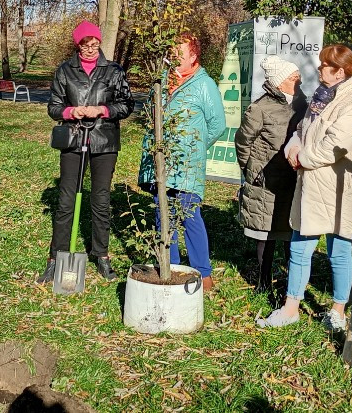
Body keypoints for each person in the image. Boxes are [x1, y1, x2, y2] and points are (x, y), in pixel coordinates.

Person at [256, 44, 352, 331]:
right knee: (299, 248)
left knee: (339, 252)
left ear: (340, 71)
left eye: (324, 65)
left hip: (339, 188)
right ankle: (291, 307)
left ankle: (337, 311)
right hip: (312, 186)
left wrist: (303, 158)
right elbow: (302, 129)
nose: (319, 69)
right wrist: (293, 146)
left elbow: (336, 146)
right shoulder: (323, 96)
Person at [39, 20, 134, 284]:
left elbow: (127, 105)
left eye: (95, 44)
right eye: (86, 45)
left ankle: (101, 254)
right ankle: (55, 257)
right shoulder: (65, 71)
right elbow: (53, 106)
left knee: (101, 199)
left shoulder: (113, 71)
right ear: (78, 45)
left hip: (104, 140)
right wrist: (71, 112)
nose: (92, 49)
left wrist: (102, 110)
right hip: (73, 139)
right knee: (67, 200)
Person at [138, 32, 225, 291]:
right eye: (171, 53)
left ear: (193, 56)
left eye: (180, 54)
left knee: (189, 215)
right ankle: (171, 267)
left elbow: (218, 125)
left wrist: (195, 147)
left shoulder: (204, 84)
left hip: (187, 164)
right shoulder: (162, 81)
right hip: (162, 163)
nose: (174, 58)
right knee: (163, 213)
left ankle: (203, 272)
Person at [235, 56, 306, 293]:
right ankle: (263, 282)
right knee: (265, 234)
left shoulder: (305, 105)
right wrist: (251, 170)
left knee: (290, 232)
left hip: (294, 178)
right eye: (294, 78)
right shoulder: (260, 108)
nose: (299, 81)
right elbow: (243, 141)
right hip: (266, 180)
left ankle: (291, 284)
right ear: (279, 82)